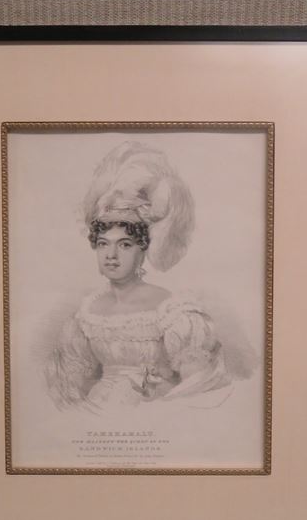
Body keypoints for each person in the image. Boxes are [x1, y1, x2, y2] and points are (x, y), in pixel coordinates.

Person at [45, 141, 234, 412]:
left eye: (124, 245)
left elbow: (199, 384)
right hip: (94, 413)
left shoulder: (173, 312)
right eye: (103, 244)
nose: (111, 255)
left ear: (142, 250)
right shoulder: (87, 314)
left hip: (152, 415)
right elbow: (69, 385)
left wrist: (162, 393)